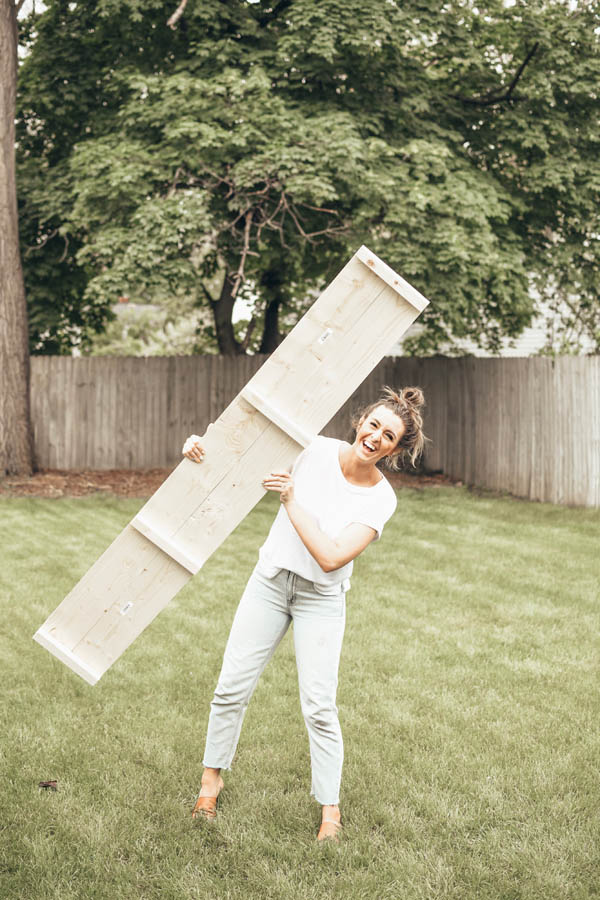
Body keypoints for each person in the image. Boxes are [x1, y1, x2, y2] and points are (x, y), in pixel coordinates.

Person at [182, 386, 426, 842]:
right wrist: (199, 447)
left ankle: (330, 812)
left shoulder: (381, 500)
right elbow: (241, 453)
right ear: (360, 422)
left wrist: (292, 500)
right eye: (373, 424)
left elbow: (332, 557)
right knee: (231, 687)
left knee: (319, 706)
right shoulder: (312, 450)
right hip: (270, 583)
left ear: (395, 449)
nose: (375, 437)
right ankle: (209, 785)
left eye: (388, 436)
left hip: (321, 599)